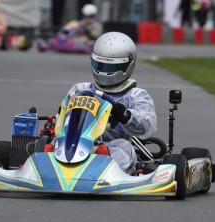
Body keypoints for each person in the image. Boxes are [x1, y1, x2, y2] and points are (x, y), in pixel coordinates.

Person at [63, 32, 157, 174]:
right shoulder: (79, 89)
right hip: (75, 145)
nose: (103, 71)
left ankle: (105, 174)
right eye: (99, 64)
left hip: (111, 149)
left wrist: (126, 116)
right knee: (50, 145)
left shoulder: (136, 95)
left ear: (127, 65)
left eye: (110, 67)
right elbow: (62, 119)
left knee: (124, 148)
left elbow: (147, 128)